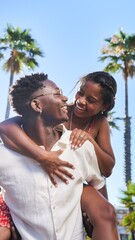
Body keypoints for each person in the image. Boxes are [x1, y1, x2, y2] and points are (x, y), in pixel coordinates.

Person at [0, 71, 119, 239]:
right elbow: (7, 126)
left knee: (103, 209)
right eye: (80, 93)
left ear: (104, 107)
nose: (80, 101)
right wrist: (43, 156)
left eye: (91, 100)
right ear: (37, 105)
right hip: (37, 186)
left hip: (76, 183)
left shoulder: (96, 127)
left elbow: (106, 171)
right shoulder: (61, 111)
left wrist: (102, 217)